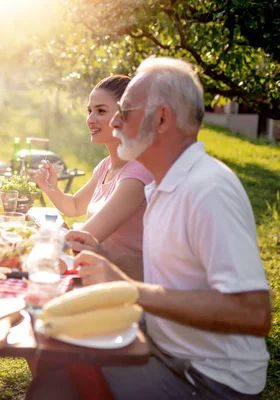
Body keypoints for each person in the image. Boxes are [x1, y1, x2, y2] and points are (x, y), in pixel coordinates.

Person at [29, 57, 271, 399]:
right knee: (52, 353)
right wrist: (109, 266)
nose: (113, 121)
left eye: (124, 111)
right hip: (164, 348)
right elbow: (167, 274)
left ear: (161, 119)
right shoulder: (160, 186)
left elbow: (254, 313)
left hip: (206, 382)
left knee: (59, 370)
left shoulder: (208, 189)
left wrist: (133, 292)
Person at [34, 76, 152, 273]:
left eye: (101, 111)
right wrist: (50, 187)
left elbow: (82, 238)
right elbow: (74, 206)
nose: (90, 119)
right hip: (95, 270)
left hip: (123, 281)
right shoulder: (106, 166)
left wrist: (35, 239)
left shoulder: (137, 173)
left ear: (127, 116)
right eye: (90, 111)